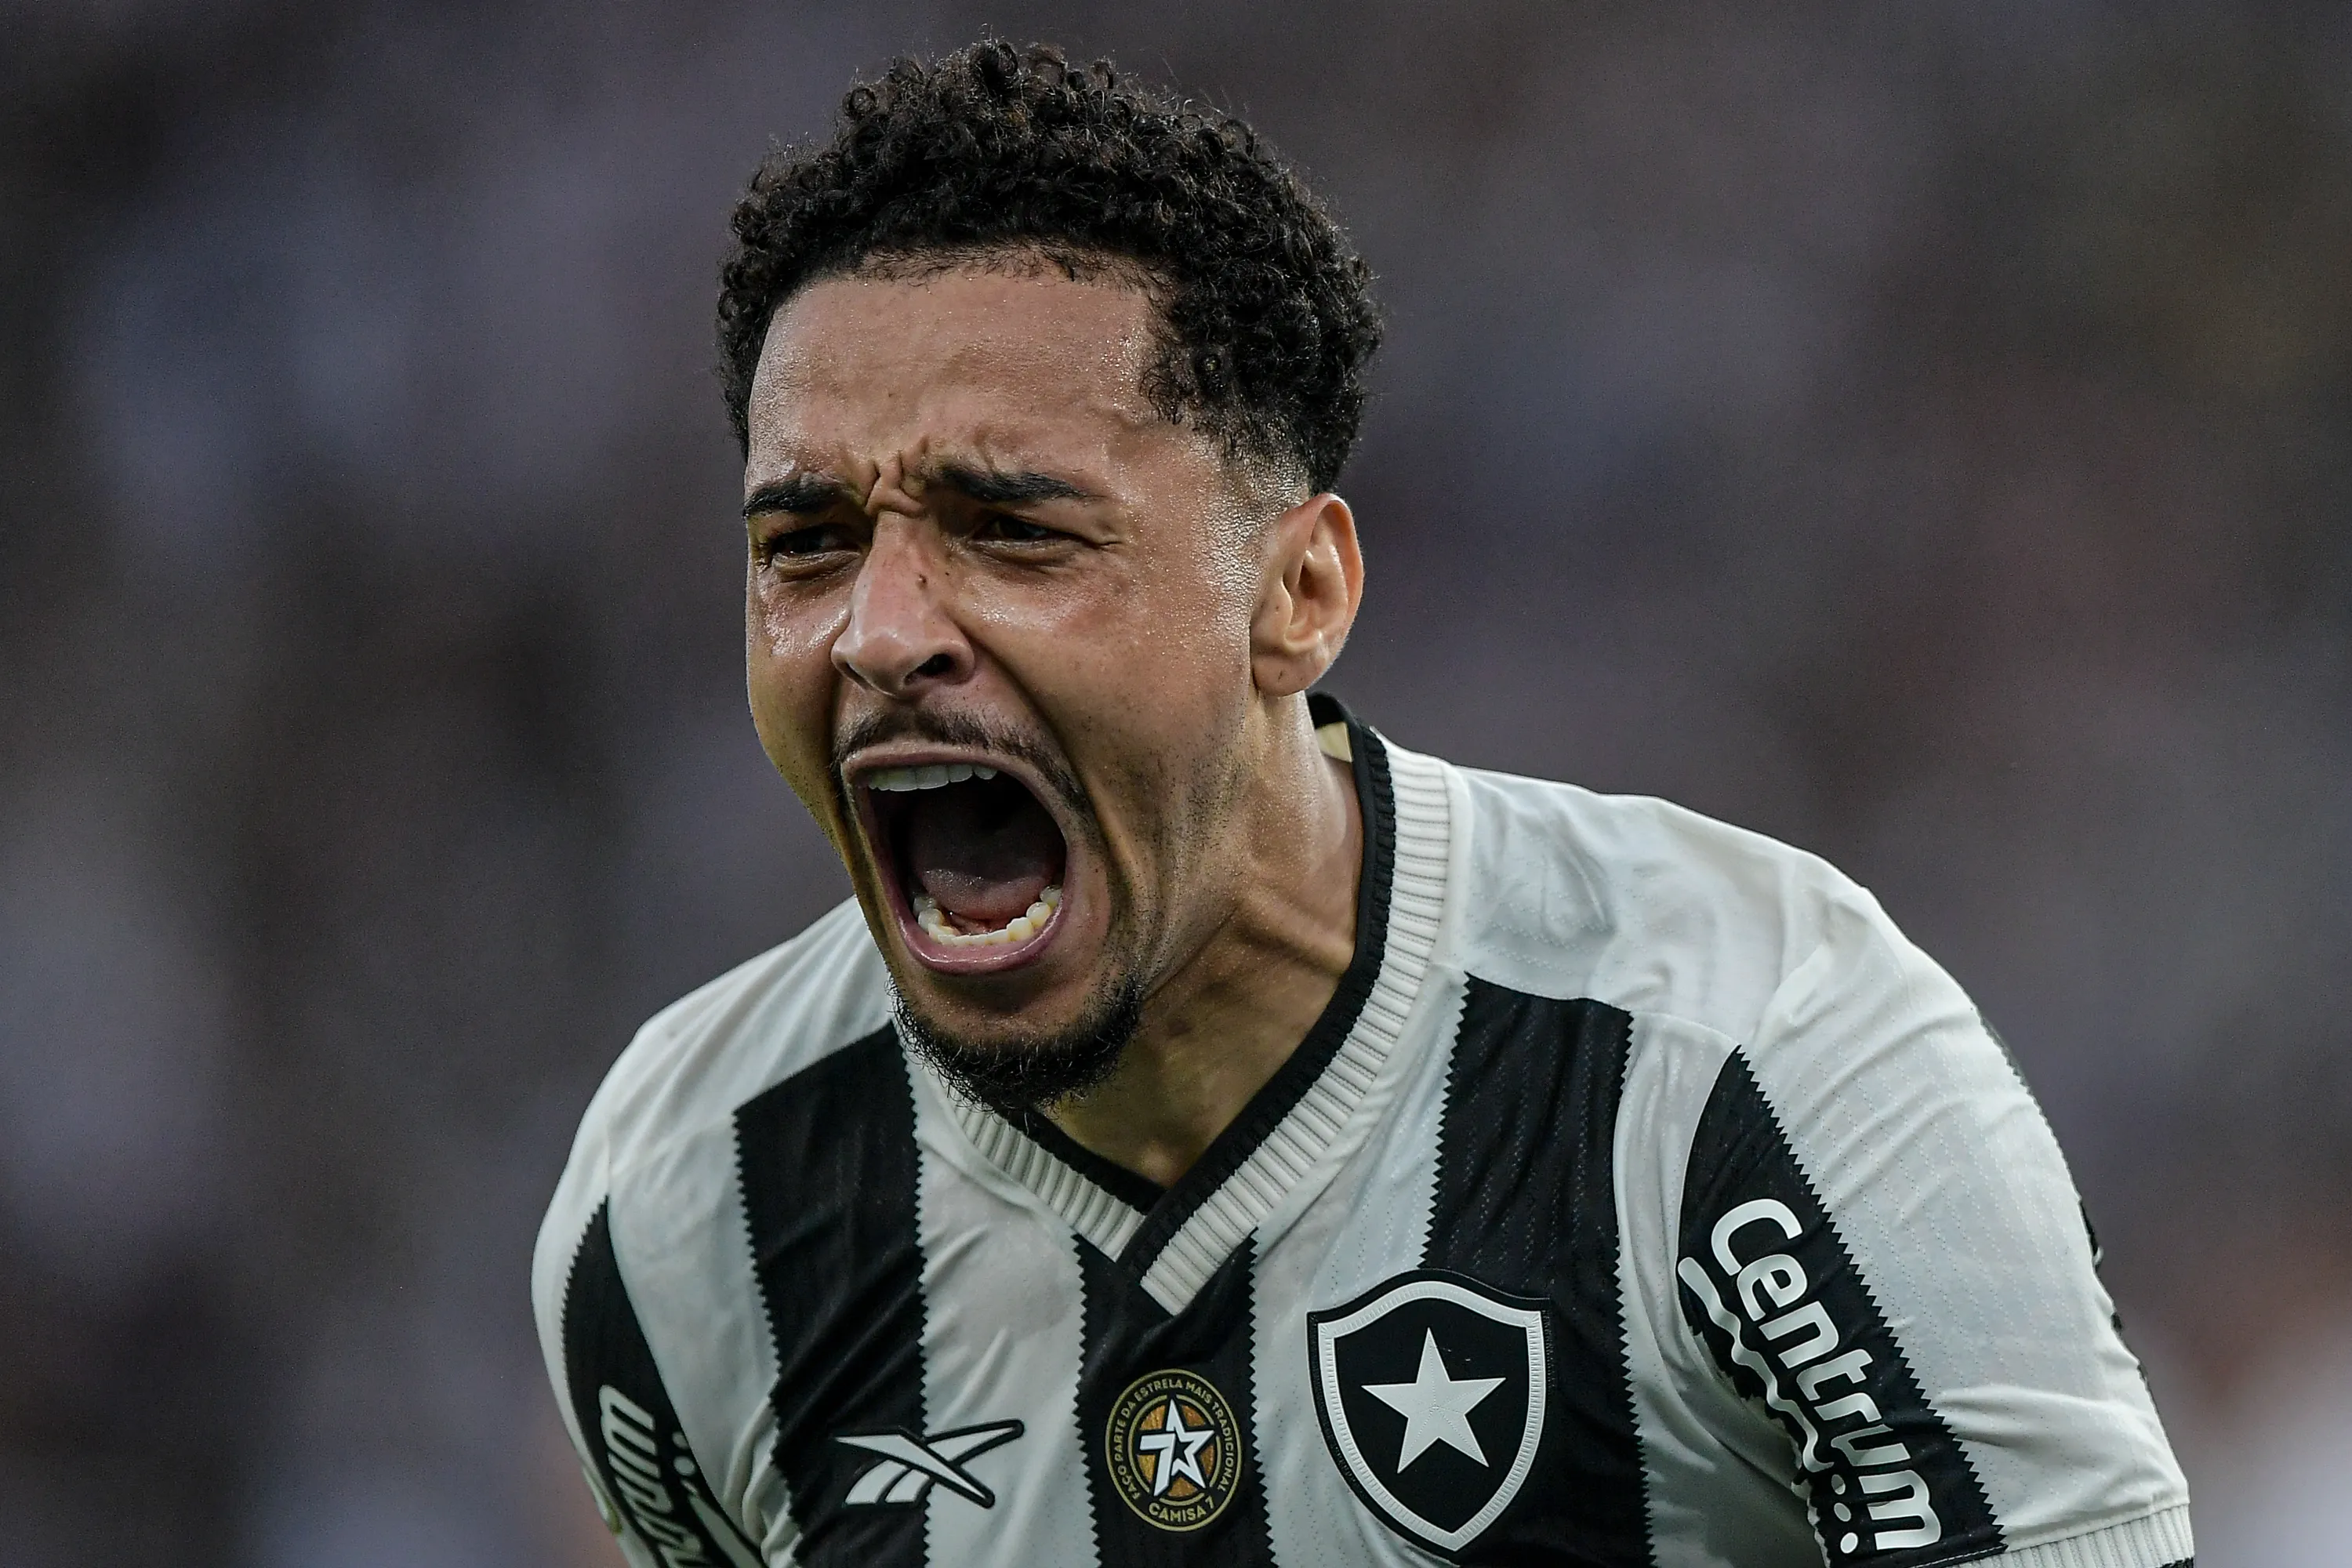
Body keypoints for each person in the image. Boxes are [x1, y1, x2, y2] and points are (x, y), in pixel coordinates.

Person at [532, 41, 2192, 1568]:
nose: (883, 631)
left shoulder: (1746, 1067)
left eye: (1016, 528)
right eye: (805, 543)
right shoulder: (685, 1223)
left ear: (1299, 595)